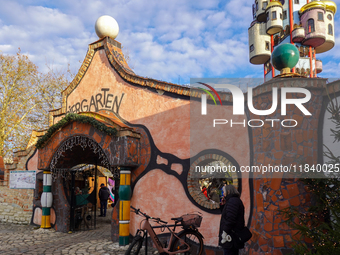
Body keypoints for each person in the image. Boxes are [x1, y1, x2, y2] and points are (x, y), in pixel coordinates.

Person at [219, 185, 245, 255]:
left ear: (228, 191)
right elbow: (227, 214)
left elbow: (230, 219)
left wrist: (224, 232)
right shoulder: (232, 201)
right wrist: (223, 205)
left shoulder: (232, 201)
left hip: (230, 237)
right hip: (232, 237)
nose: (223, 193)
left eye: (224, 191)